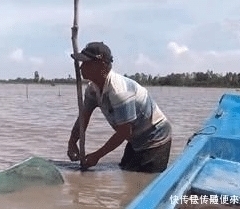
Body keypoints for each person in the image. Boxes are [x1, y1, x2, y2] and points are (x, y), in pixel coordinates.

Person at [67, 41, 172, 173]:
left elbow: (124, 132)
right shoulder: (92, 89)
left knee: (146, 180)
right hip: (135, 139)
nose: (81, 68)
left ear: (101, 65)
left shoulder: (119, 91)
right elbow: (83, 118)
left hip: (155, 138)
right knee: (127, 174)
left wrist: (97, 155)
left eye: (86, 63)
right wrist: (72, 143)